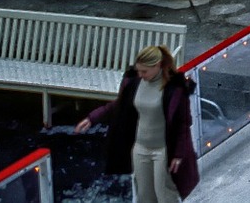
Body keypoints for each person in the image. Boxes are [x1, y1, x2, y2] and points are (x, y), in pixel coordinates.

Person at [75, 45, 201, 202]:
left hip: (163, 150)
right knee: (144, 196)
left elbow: (183, 124)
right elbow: (118, 105)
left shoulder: (174, 89)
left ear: (157, 66)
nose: (141, 75)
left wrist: (178, 154)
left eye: (144, 71)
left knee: (164, 194)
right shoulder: (135, 83)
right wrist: (92, 118)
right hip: (140, 148)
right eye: (139, 71)